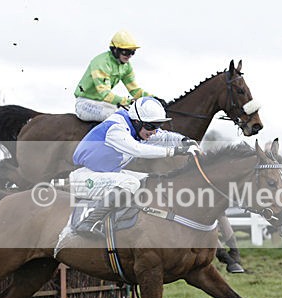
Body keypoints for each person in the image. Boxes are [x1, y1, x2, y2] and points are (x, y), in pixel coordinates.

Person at [69, 97, 199, 235]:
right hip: (84, 178)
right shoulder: (116, 129)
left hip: (105, 174)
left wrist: (185, 140)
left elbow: (164, 137)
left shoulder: (139, 127)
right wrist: (176, 151)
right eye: (151, 127)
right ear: (137, 122)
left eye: (158, 126)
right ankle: (88, 223)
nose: (154, 131)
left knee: (150, 179)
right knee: (130, 183)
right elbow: (137, 149)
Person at [74, 30, 152, 122]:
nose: (129, 56)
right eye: (125, 52)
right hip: (85, 103)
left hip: (103, 103)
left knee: (131, 115)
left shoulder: (126, 66)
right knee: (118, 117)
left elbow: (135, 90)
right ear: (115, 50)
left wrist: (152, 98)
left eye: (132, 52)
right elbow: (105, 95)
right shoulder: (101, 63)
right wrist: (127, 101)